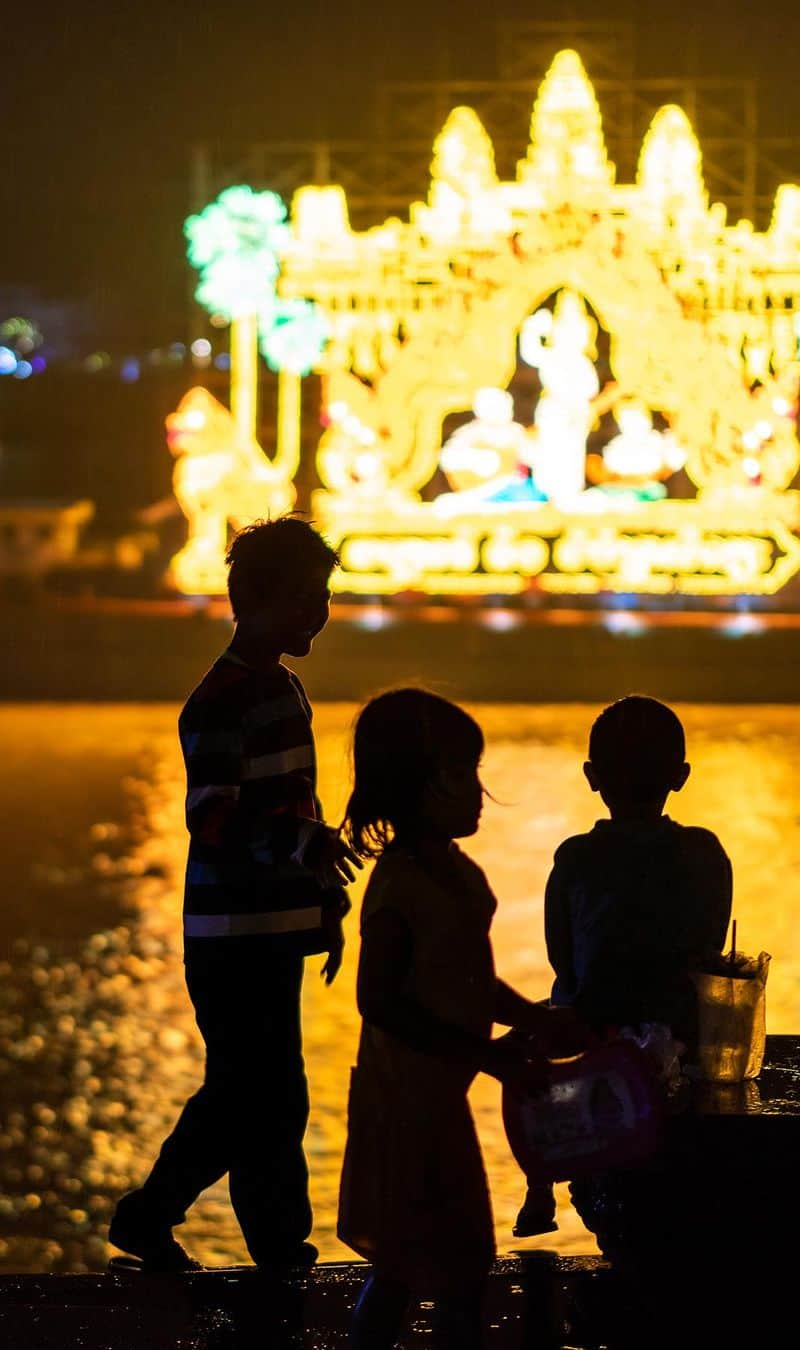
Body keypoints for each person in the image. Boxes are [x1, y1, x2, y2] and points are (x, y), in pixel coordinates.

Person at [109, 516, 360, 1272]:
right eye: (307, 597)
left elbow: (286, 812)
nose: (319, 611)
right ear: (255, 599)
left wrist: (321, 900)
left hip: (264, 930)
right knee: (257, 1096)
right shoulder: (222, 700)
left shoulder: (279, 688)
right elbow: (213, 815)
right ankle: (175, 1221)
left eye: (323, 596)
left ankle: (272, 1247)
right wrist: (304, 843)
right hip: (231, 936)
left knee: (265, 1096)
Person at [338, 688, 582, 1350]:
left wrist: (531, 1016)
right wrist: (491, 1056)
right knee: (417, 1264)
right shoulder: (400, 884)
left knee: (451, 1261)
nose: (479, 790)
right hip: (405, 1103)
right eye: (463, 773)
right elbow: (378, 1001)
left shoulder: (455, 871)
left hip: (440, 1099)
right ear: (417, 784)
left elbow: (468, 980)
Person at [513, 695, 732, 1241]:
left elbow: (560, 956)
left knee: (524, 1048)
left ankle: (539, 1187)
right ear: (680, 777)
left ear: (593, 777)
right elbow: (710, 946)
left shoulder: (575, 857)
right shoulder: (705, 852)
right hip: (680, 1029)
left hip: (595, 1025)